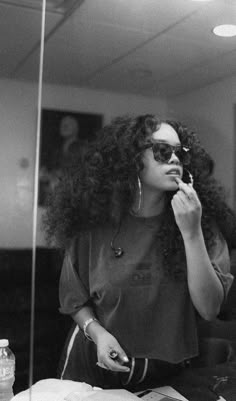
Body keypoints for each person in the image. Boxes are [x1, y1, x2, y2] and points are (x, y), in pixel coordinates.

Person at [43, 114, 236, 391]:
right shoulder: (93, 226)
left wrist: (191, 233)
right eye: (161, 150)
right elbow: (74, 300)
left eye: (180, 153)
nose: (174, 159)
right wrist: (97, 334)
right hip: (94, 362)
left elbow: (209, 308)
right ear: (132, 159)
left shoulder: (201, 223)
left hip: (164, 370)